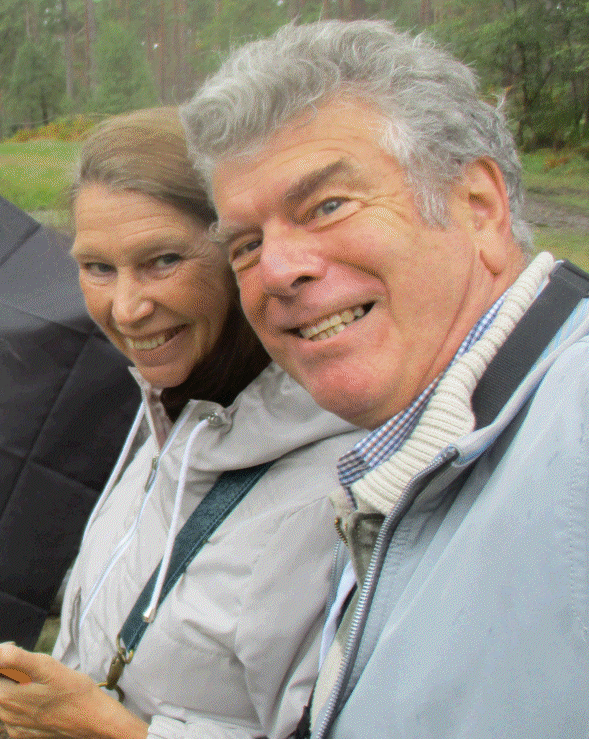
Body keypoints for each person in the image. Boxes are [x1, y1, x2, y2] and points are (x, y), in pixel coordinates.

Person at [180, 20, 589, 739]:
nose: (275, 271)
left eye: (327, 206)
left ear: (479, 207)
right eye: (245, 244)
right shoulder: (420, 457)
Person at [0, 107, 361, 739]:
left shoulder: (344, 493)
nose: (127, 308)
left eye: (164, 260)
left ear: (243, 254)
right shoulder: (165, 416)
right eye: (98, 267)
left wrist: (112, 732)